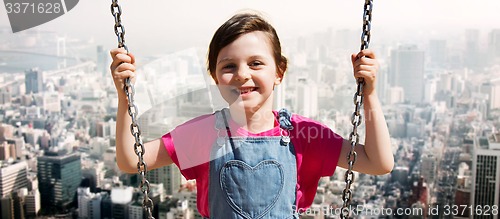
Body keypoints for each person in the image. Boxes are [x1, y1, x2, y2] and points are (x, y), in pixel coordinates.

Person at [110, 12, 393, 218]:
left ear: (279, 72)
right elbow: (131, 161)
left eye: (256, 63)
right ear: (215, 77)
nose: (242, 74)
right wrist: (124, 97)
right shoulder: (205, 134)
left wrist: (369, 95)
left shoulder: (303, 134)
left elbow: (377, 162)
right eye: (229, 66)